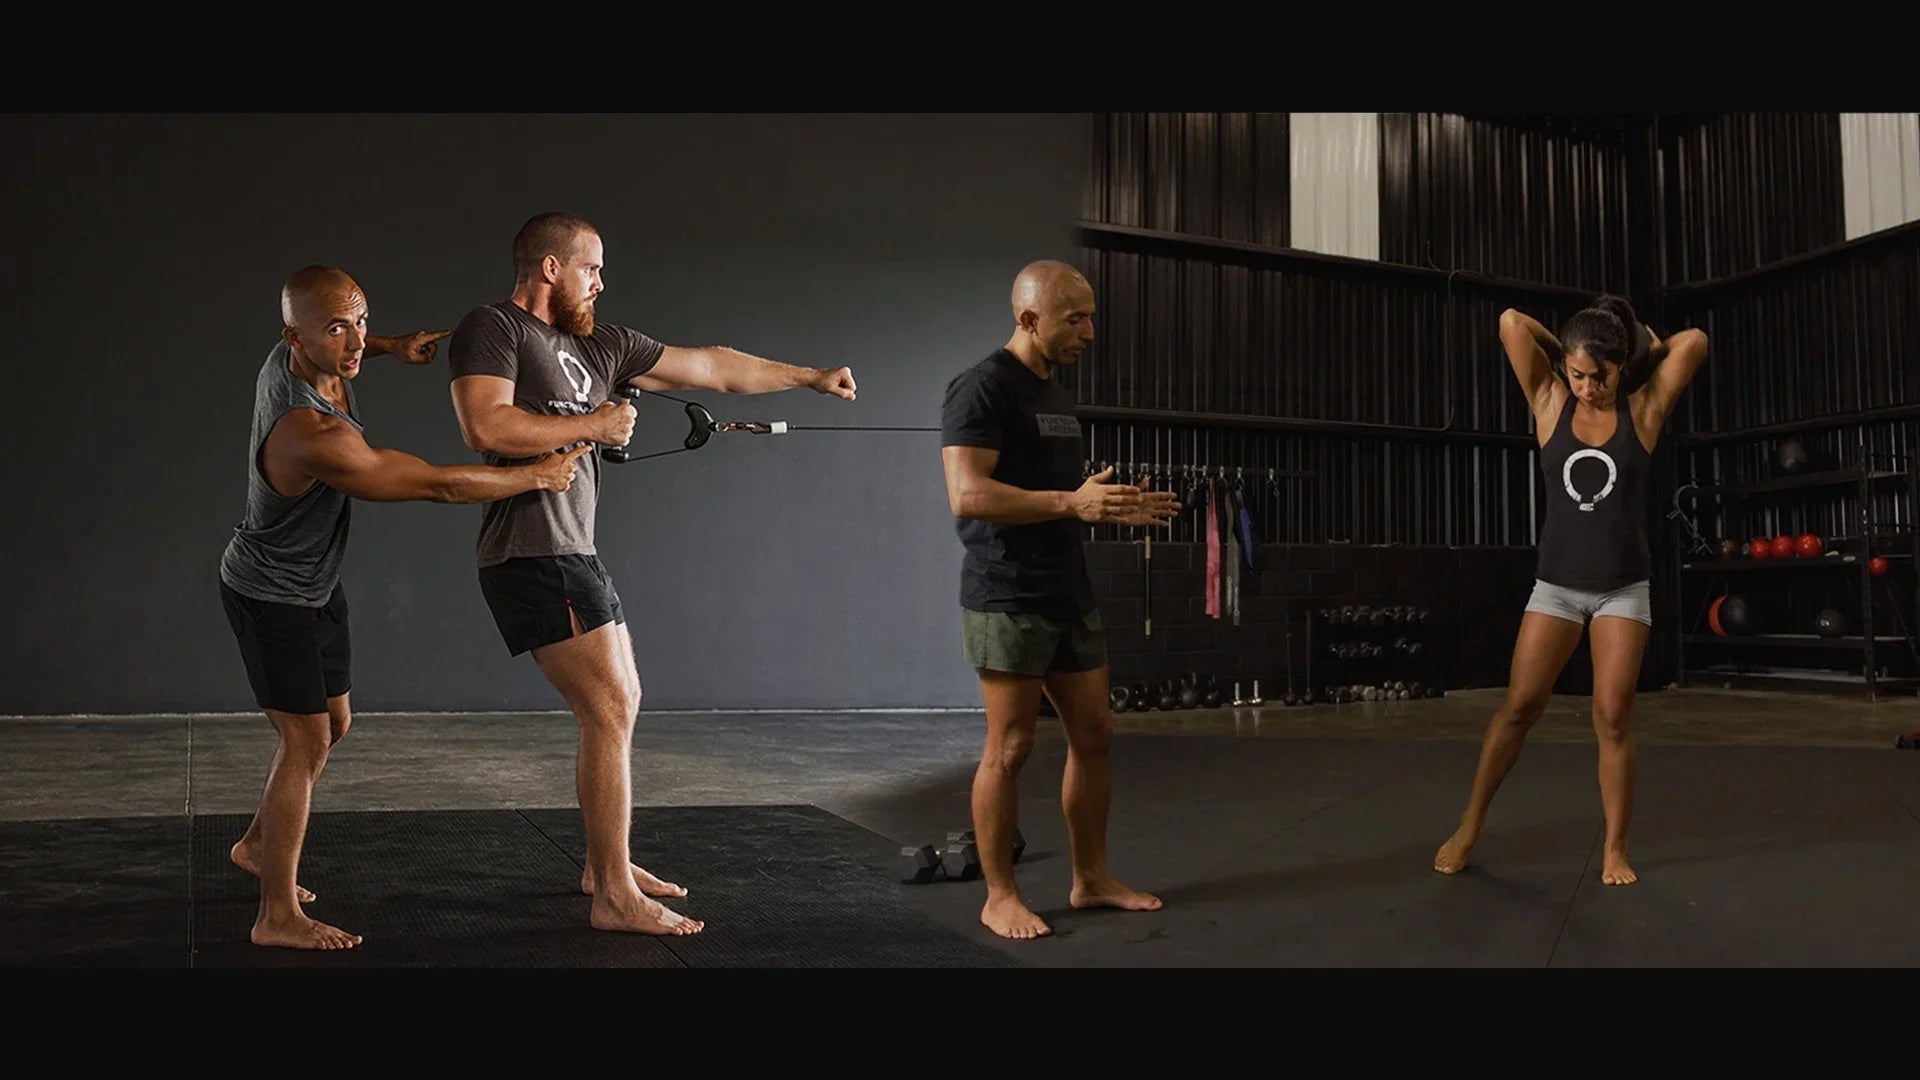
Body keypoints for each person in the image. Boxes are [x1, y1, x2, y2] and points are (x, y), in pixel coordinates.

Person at [445, 211, 857, 937]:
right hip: (530, 550)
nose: (601, 282)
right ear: (550, 268)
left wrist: (810, 377)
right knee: (611, 707)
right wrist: (593, 425)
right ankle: (612, 892)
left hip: (573, 548)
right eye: (591, 268)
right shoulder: (494, 327)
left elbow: (715, 366)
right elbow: (487, 425)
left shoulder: (603, 345)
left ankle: (603, 866)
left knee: (616, 706)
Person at [219, 265, 594, 950]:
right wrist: (535, 476)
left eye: (361, 321)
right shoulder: (311, 432)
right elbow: (436, 485)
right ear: (294, 338)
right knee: (304, 742)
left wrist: (392, 345)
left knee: (334, 724)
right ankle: (275, 914)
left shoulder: (299, 355)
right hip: (270, 594)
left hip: (315, 583)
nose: (355, 341)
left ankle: (255, 844)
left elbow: (350, 342)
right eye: (338, 330)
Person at [1433, 293, 1709, 886]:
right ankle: (1469, 824)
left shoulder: (1643, 409)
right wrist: (1566, 349)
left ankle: (1614, 849)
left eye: (1599, 376)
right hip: (1555, 588)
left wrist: (1642, 354)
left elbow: (1694, 342)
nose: (1587, 387)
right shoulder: (1549, 401)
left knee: (1612, 715)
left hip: (1622, 590)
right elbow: (1509, 321)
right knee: (1519, 707)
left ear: (1620, 368)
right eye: (1578, 374)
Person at [938, 259, 1179, 940]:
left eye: (1091, 317)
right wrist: (1074, 502)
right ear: (1028, 318)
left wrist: (1105, 505)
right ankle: (999, 896)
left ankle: (1091, 878)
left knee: (1095, 734)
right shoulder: (982, 388)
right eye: (1075, 319)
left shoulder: (1056, 393)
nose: (1089, 333)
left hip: (1067, 587)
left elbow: (1059, 497)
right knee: (1011, 747)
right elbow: (968, 494)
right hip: (1006, 592)